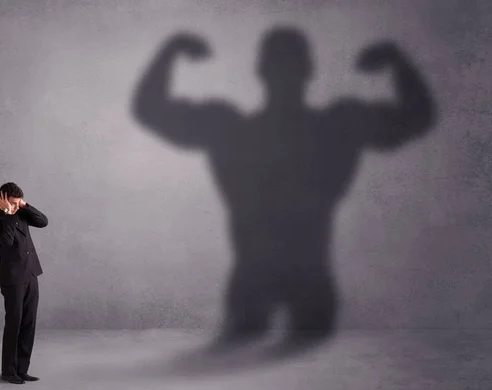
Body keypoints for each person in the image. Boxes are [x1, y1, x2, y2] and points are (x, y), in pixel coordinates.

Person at [132, 27, 435, 350]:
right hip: (299, 274)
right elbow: (417, 117)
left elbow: (150, 110)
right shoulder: (333, 128)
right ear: (310, 70)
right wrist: (396, 59)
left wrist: (170, 50)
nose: (284, 72)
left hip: (267, 274)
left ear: (260, 71)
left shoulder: (233, 131)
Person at [0, 182, 48, 384]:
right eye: (13, 202)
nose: (16, 205)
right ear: (2, 198)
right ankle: (8, 372)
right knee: (14, 323)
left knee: (29, 323)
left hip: (31, 273)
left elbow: (43, 221)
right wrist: (8, 215)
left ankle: (22, 370)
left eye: (18, 201)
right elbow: (6, 242)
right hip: (12, 278)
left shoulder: (20, 208)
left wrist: (23, 205)